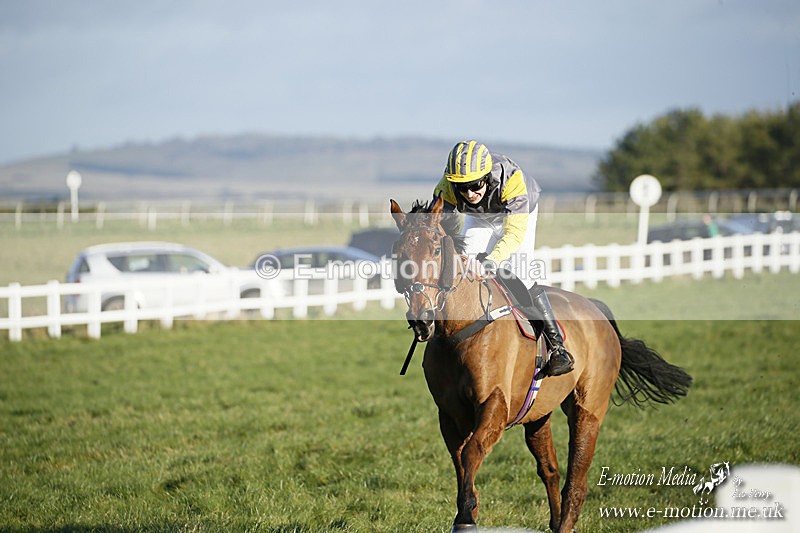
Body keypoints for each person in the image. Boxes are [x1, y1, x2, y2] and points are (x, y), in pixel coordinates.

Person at [432, 140, 573, 377]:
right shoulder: (447, 184)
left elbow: (514, 234)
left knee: (520, 272)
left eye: (475, 185)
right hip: (479, 218)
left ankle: (558, 347)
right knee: (465, 265)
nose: (469, 193)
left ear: (486, 178)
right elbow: (437, 225)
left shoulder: (512, 180)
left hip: (518, 214)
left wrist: (492, 259)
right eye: (462, 187)